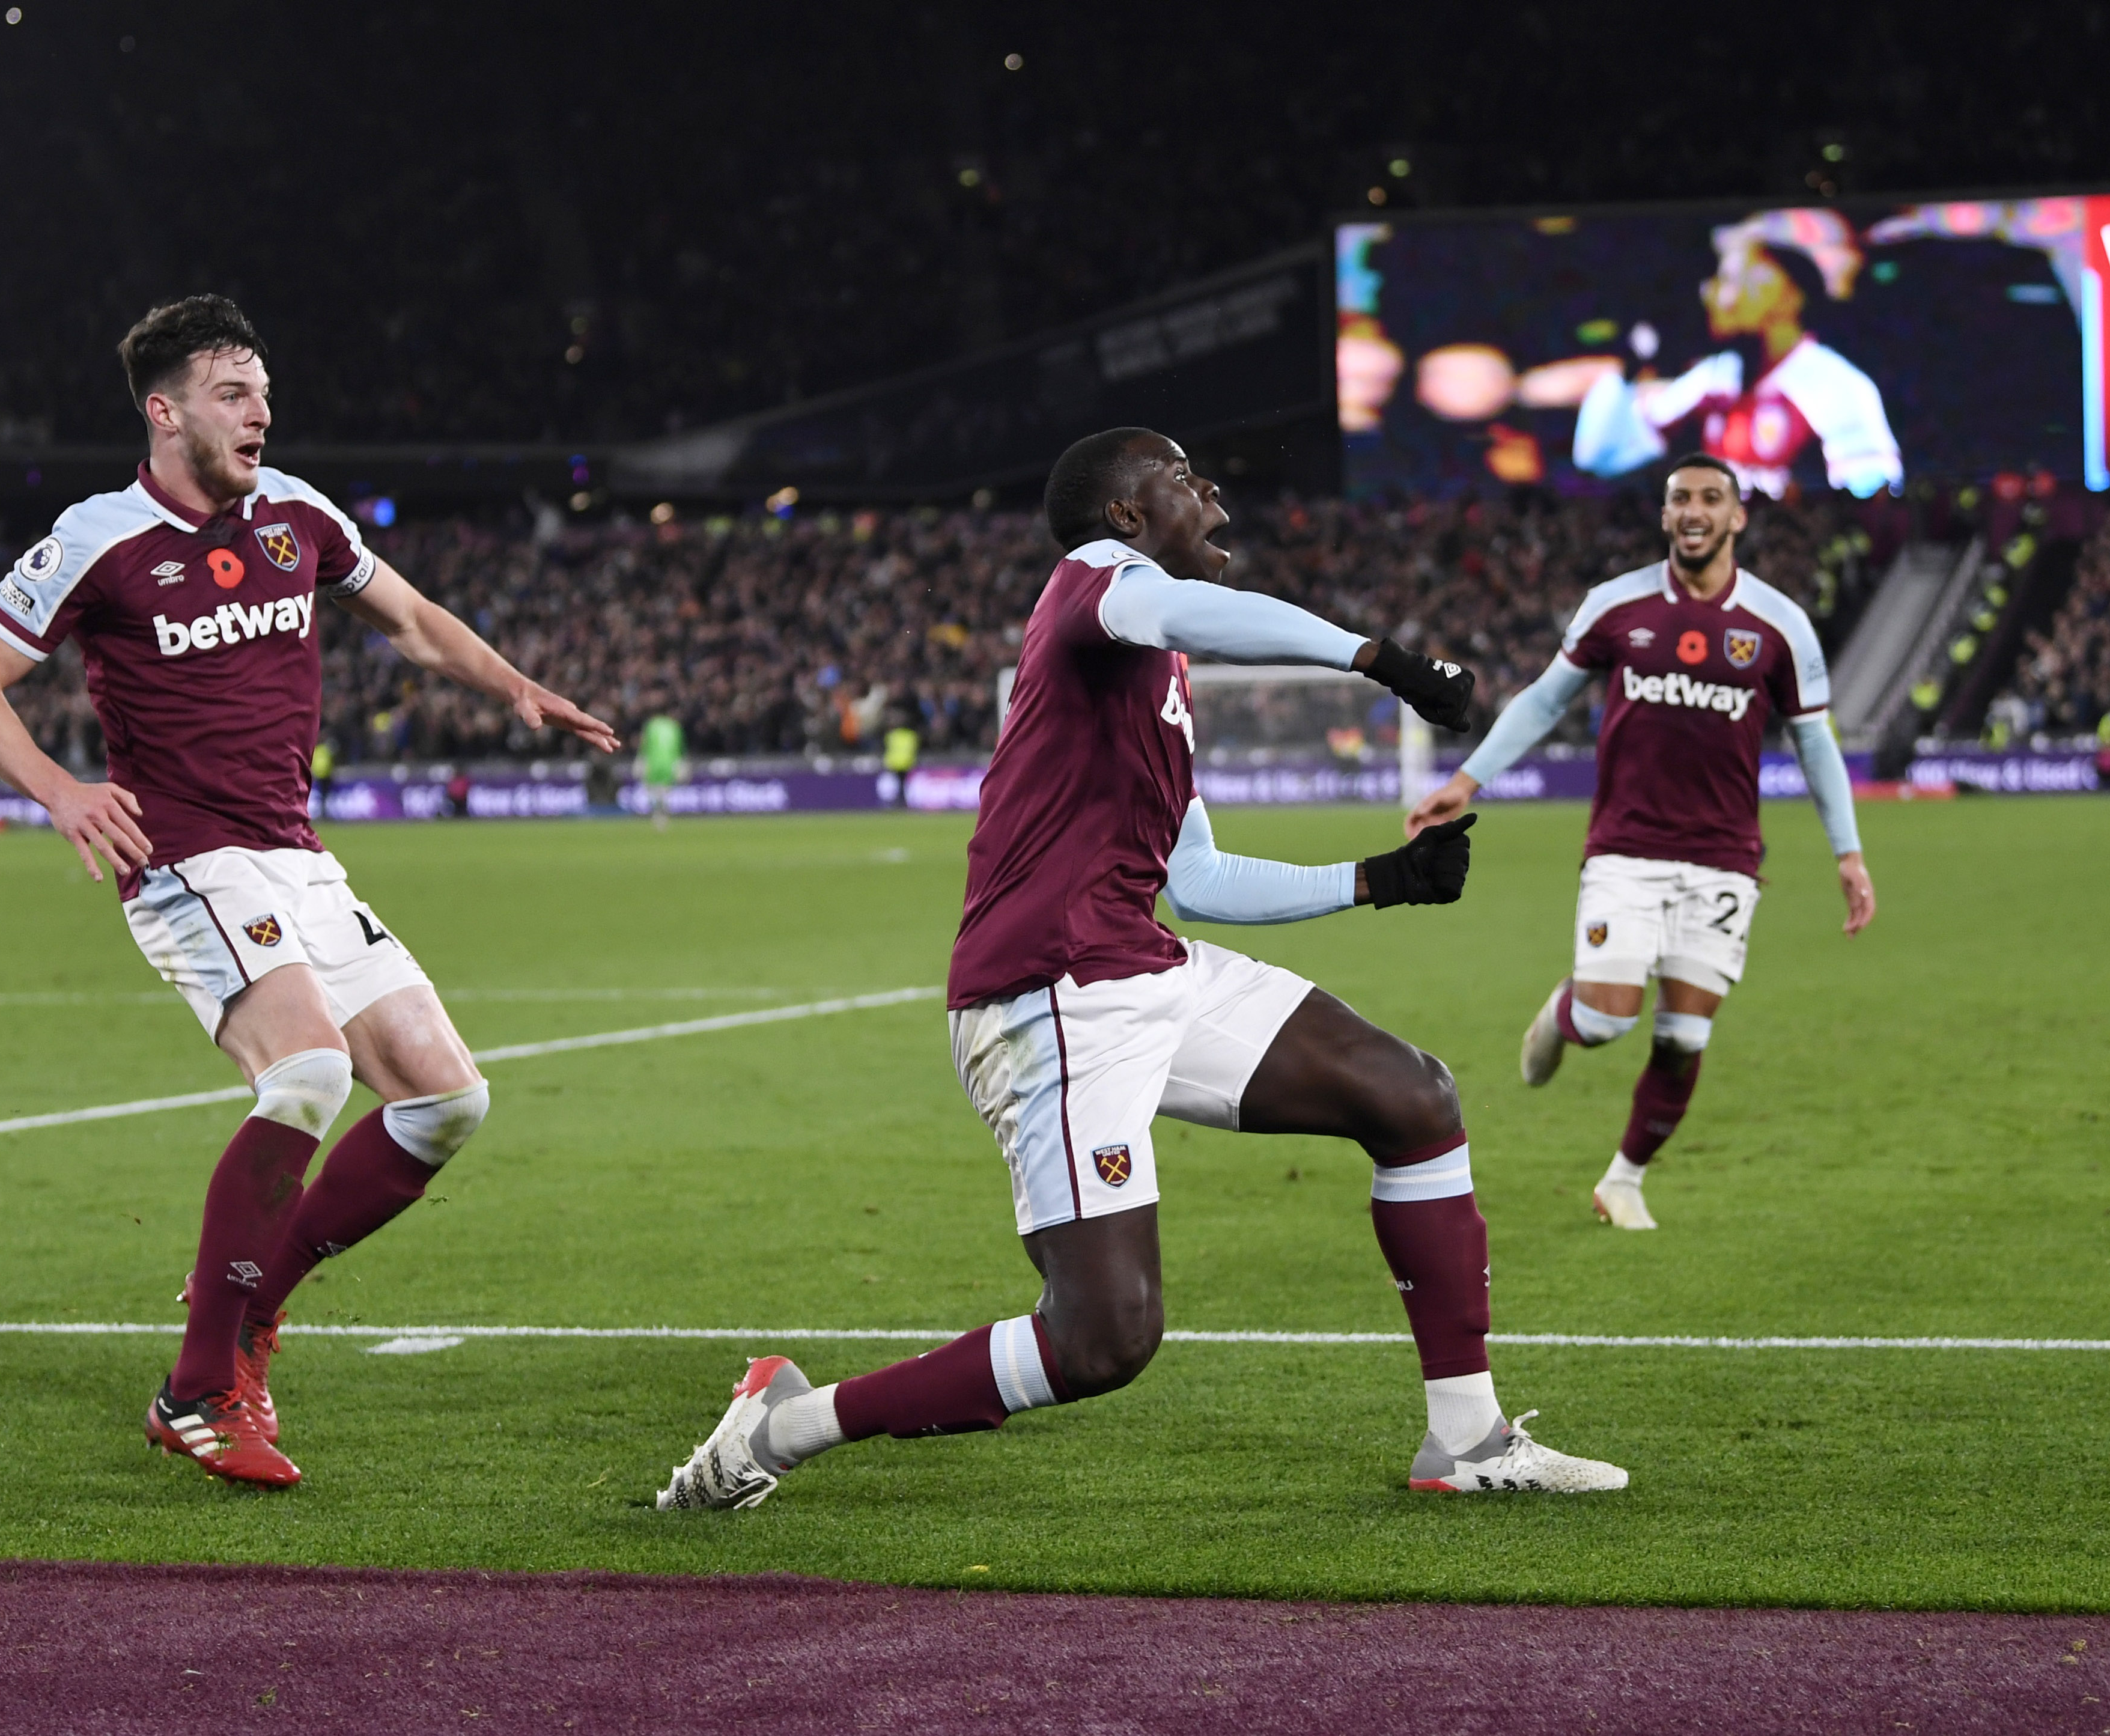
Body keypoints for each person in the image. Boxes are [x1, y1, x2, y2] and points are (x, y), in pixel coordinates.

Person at [658, 428, 1630, 1509]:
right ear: (1126, 515)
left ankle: (1468, 1438)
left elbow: (1200, 878)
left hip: (1141, 962)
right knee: (1103, 1336)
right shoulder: (1098, 584)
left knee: (1411, 1095)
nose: (1211, 490)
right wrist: (1383, 659)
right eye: (1182, 477)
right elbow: (1193, 614)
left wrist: (1380, 880)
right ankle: (783, 1422)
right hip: (1056, 993)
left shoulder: (1146, 659)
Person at [0, 296, 618, 1487]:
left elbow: (406, 616)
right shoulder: (97, 537)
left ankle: (247, 1295)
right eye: (232, 393)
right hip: (186, 856)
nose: (261, 410)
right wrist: (58, 789)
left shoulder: (297, 513)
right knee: (305, 1072)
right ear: (166, 411)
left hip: (296, 856)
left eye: (262, 391)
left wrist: (515, 685)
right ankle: (195, 1391)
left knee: (446, 1102)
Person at [1405, 454, 1874, 1231]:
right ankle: (1563, 1013)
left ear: (1736, 517)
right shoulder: (1616, 605)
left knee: (1685, 1036)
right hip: (1627, 849)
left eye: (1711, 498)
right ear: (1665, 517)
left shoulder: (1779, 624)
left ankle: (1624, 1179)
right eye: (1680, 498)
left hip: (1725, 858)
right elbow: (1544, 699)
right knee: (1608, 1021)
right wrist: (1470, 778)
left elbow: (1814, 743)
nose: (1695, 510)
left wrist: (1847, 853)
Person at [1573, 212, 1902, 500]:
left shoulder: (1835, 385)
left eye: (1729, 278)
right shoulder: (1718, 375)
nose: (1711, 292)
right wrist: (1628, 368)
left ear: (1784, 289)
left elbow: (1874, 497)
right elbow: (1597, 458)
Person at [636, 704, 684, 829]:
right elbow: (679, 748)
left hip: (654, 764)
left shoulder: (650, 726)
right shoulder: (674, 726)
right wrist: (680, 764)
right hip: (669, 763)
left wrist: (640, 761)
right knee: (665, 791)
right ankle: (664, 815)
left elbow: (644, 746)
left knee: (653, 791)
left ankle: (657, 816)